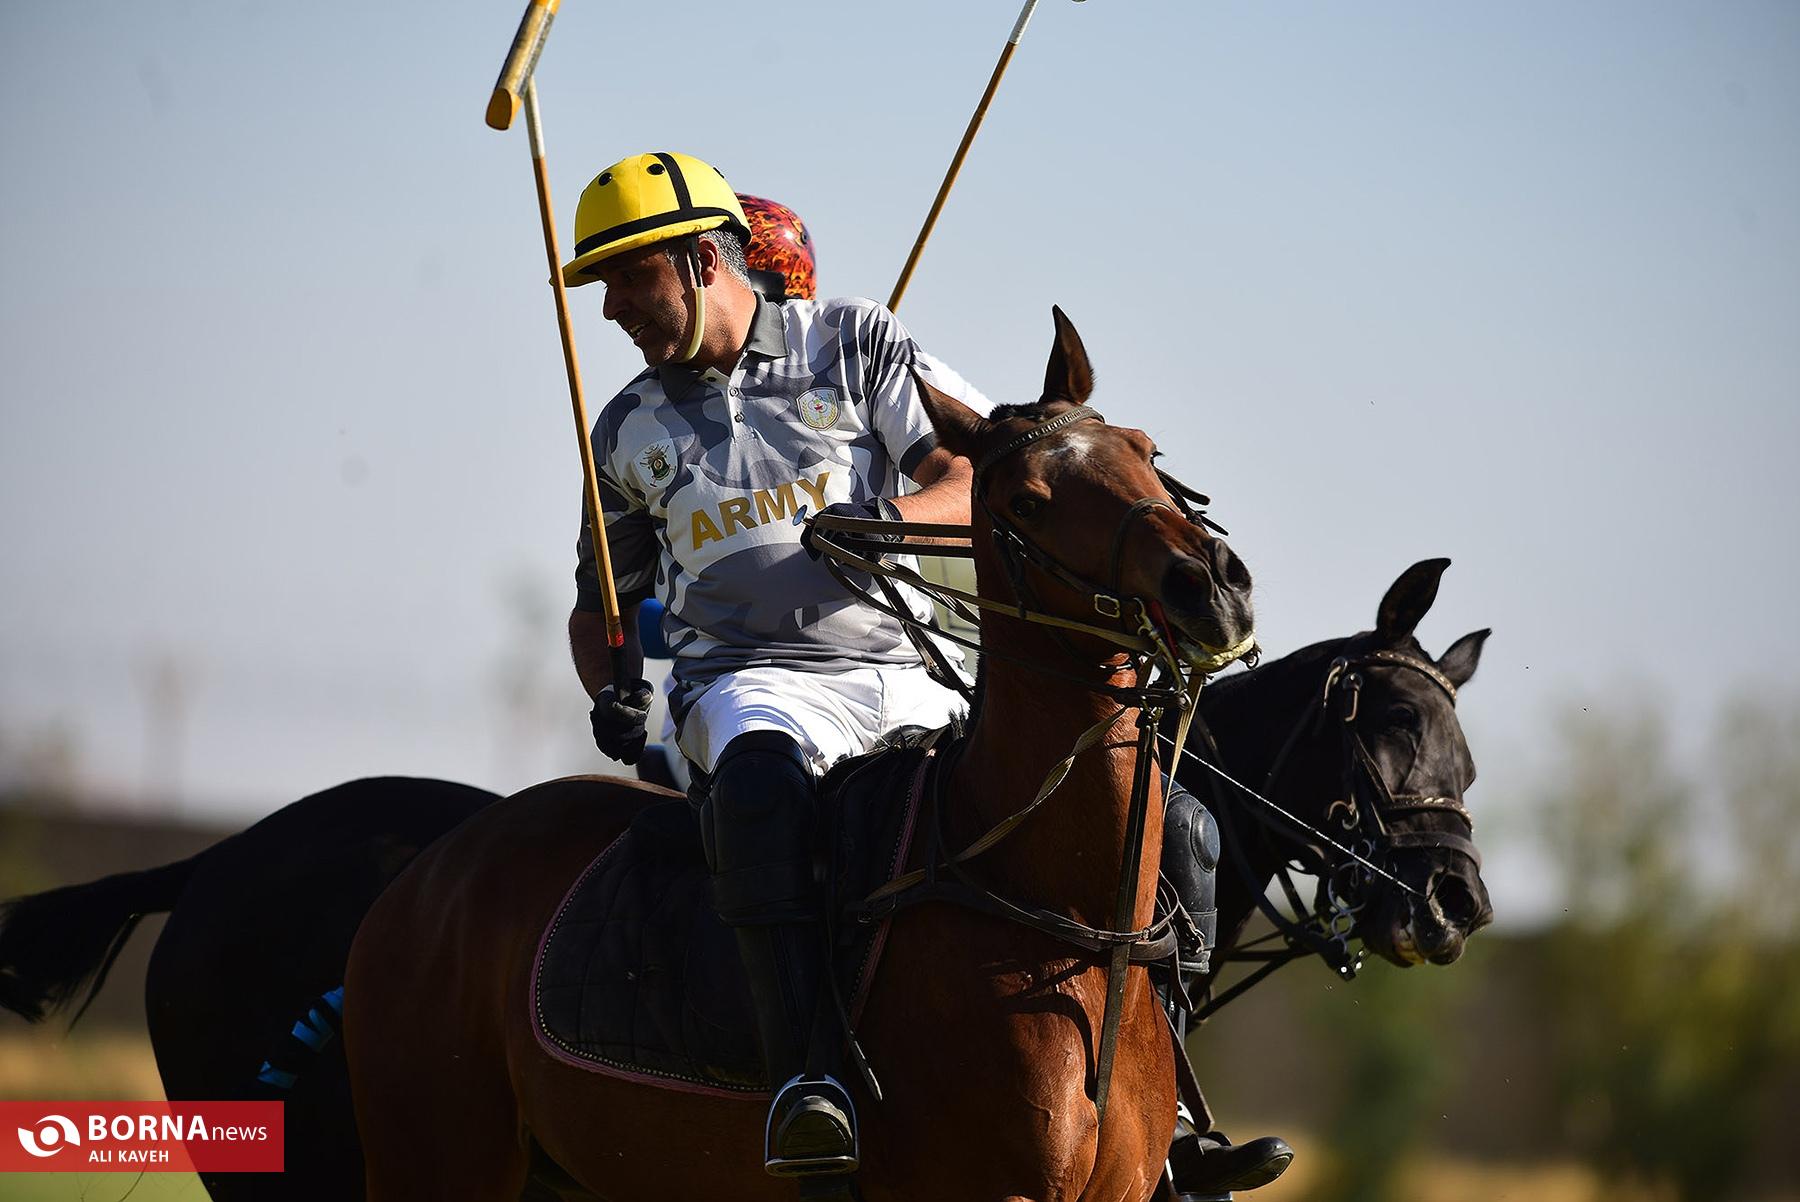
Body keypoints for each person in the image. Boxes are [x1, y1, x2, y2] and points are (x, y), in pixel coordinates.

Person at [561, 151, 987, 1179]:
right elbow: (600, 602)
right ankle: (807, 1082)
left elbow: (969, 483)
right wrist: (612, 685)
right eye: (600, 285)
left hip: (909, 669)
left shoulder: (852, 340)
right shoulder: (621, 428)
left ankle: (1162, 1102)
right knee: (757, 783)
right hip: (749, 683)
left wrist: (880, 523)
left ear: (703, 259)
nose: (610, 308)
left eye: (627, 277)